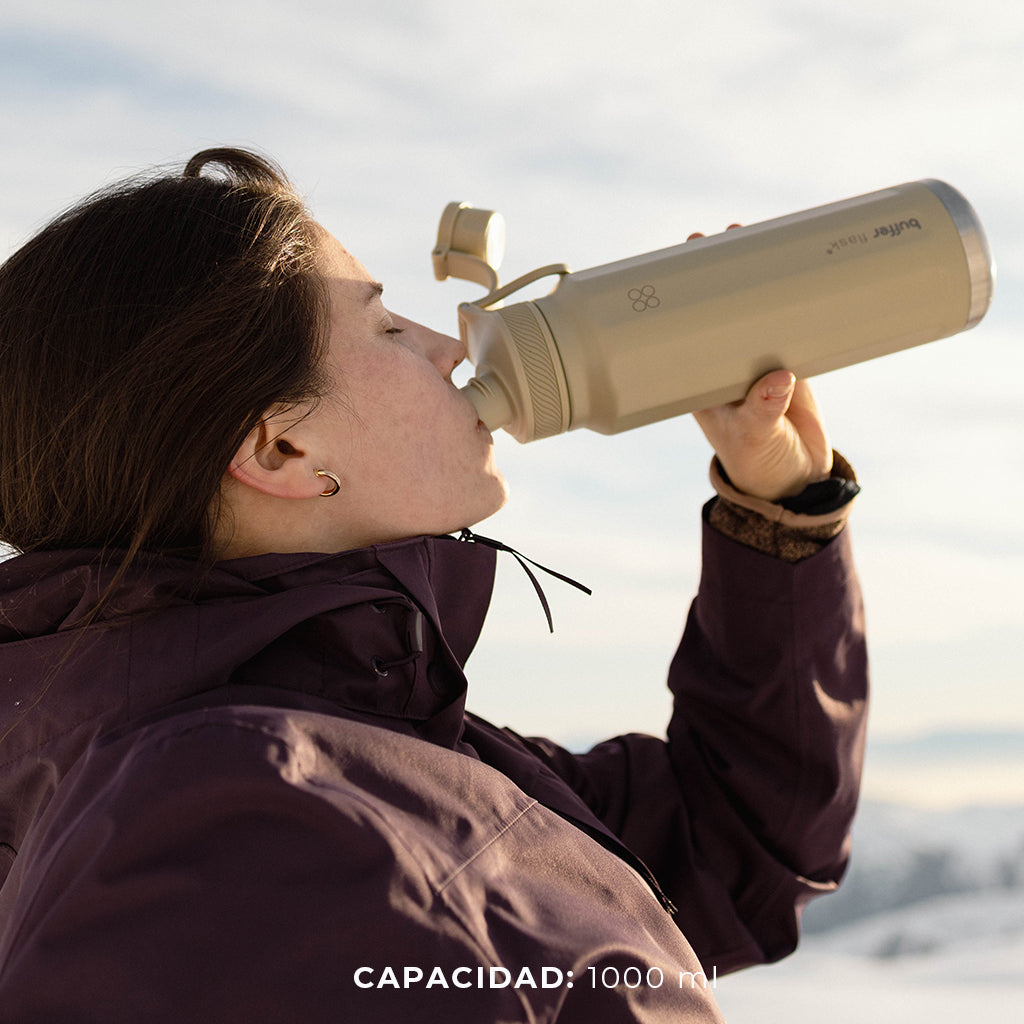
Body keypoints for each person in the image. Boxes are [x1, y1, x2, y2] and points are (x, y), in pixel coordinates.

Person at [0, 148, 867, 1022]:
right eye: (386, 328)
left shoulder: (345, 734)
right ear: (280, 449)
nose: (450, 344)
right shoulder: (231, 823)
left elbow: (729, 853)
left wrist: (781, 505)